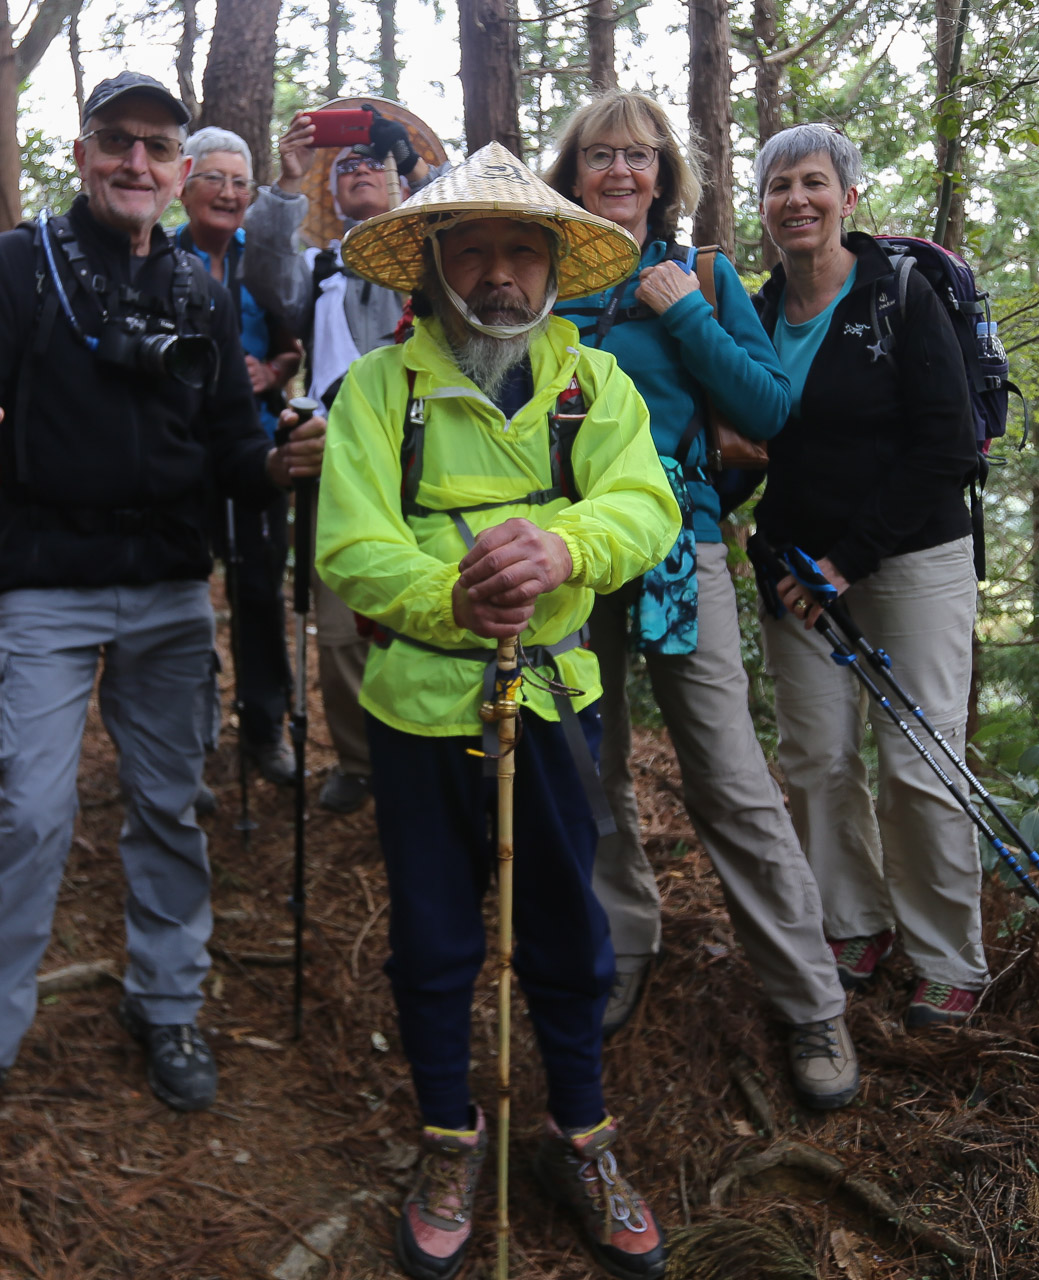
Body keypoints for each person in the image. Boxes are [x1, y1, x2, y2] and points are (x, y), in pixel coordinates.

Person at [0, 72, 326, 1173]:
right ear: (82, 154)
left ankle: (165, 1002)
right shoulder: (16, 267)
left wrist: (269, 463)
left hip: (172, 587)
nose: (137, 164)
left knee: (172, 801)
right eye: (116, 142)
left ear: (179, 170)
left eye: (156, 148)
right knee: (27, 812)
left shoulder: (200, 287)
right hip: (44, 586)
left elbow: (226, 439)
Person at [317, 143, 678, 1280]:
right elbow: (350, 543)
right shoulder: (381, 391)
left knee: (568, 922)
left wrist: (565, 542)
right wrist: (452, 592)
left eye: (521, 249)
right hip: (421, 712)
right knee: (434, 935)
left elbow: (645, 507)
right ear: (433, 266)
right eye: (471, 249)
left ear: (554, 267)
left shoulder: (596, 386)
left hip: (558, 700)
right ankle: (447, 1135)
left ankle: (583, 1131)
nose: (499, 273)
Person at [543, 91, 859, 1108]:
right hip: (573, 555)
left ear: (665, 174)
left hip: (681, 545)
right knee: (588, 767)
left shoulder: (709, 275)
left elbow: (770, 407)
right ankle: (620, 945)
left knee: (727, 772)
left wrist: (681, 308)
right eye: (601, 156)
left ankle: (811, 1002)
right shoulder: (545, 279)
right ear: (575, 172)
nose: (621, 172)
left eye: (639, 156)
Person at [749, 123, 986, 1028]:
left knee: (923, 763)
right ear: (763, 207)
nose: (796, 200)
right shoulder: (760, 307)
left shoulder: (901, 292)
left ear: (849, 198)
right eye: (779, 186)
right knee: (815, 757)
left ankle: (949, 959)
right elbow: (751, 437)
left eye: (814, 183)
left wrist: (848, 561)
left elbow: (949, 445)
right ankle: (854, 923)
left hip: (910, 560)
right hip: (796, 573)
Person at [244, 99, 447, 815]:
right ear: (331, 194)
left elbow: (459, 223)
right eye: (346, 167)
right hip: (335, 455)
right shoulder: (317, 265)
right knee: (339, 628)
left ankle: (432, 758)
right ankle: (362, 761)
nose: (359, 172)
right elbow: (266, 278)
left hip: (429, 451)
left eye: (374, 164)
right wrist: (289, 182)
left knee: (428, 602)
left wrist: (414, 163)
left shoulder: (431, 254)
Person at [174, 126, 304, 790]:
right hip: (180, 457)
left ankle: (264, 726)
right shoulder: (159, 256)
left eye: (239, 182)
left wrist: (268, 372)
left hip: (255, 452)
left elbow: (292, 348)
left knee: (258, 591)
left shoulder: (264, 261)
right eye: (213, 179)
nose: (227, 193)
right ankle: (186, 736)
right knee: (181, 593)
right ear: (184, 184)